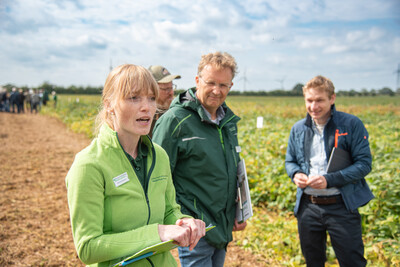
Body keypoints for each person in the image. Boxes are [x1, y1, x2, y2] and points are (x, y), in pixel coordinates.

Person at [65, 64, 205, 267]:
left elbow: (169, 211)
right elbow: (88, 247)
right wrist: (158, 233)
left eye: (151, 98)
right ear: (109, 105)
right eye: (134, 98)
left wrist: (185, 221)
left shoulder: (160, 156)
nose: (147, 107)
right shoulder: (89, 165)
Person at [152, 52, 247, 267]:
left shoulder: (228, 122)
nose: (217, 90)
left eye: (223, 85)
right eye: (211, 82)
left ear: (230, 86)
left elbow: (232, 171)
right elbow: (158, 177)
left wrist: (236, 211)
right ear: (197, 81)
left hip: (221, 224)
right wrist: (177, 220)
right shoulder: (175, 121)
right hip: (193, 226)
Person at [285, 75, 374, 266]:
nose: (313, 106)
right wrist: (295, 174)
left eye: (319, 100)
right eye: (309, 100)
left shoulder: (351, 125)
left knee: (352, 261)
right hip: (308, 206)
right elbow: (290, 161)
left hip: (341, 206)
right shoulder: (298, 128)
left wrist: (330, 179)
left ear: (332, 99)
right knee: (313, 261)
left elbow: (364, 164)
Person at [148, 65, 181, 136]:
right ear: (151, 89)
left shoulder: (177, 112)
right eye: (166, 89)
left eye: (172, 87)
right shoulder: (144, 116)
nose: (171, 93)